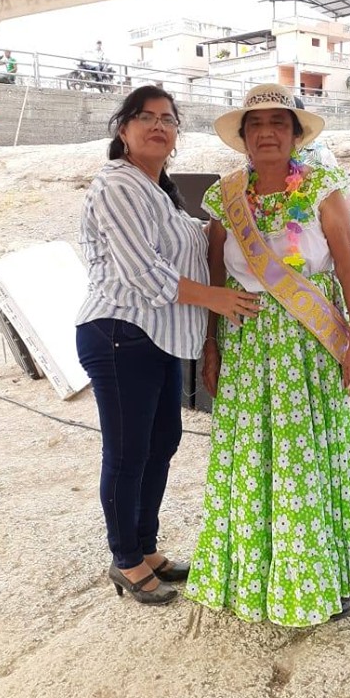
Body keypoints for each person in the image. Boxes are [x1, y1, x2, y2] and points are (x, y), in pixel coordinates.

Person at [185, 84, 350, 626]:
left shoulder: (322, 188)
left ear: (295, 134)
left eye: (278, 123)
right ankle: (259, 577)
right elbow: (216, 273)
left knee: (309, 458)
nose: (267, 132)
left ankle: (326, 577)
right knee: (254, 458)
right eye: (256, 124)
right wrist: (211, 344)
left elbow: (348, 268)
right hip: (247, 345)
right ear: (244, 136)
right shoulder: (226, 196)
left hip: (312, 348)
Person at [75, 85, 259, 607]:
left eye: (168, 119)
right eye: (146, 117)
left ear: (177, 134)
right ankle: (125, 558)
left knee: (161, 442)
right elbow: (144, 273)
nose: (158, 126)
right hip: (120, 333)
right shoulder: (118, 184)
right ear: (123, 129)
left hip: (156, 337)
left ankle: (146, 546)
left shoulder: (160, 191)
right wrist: (217, 298)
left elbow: (202, 241)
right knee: (128, 450)